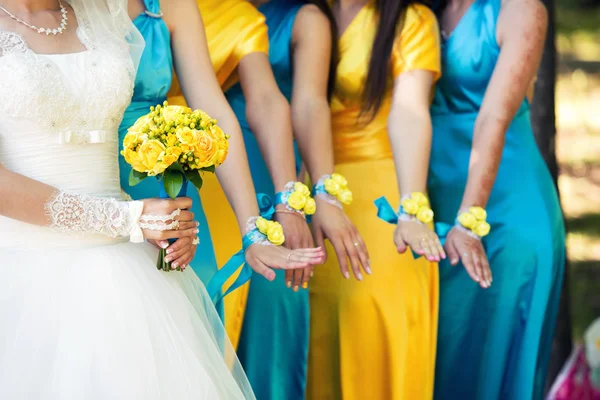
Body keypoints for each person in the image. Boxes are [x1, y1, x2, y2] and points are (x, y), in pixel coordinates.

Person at [0, 0, 322, 398]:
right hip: (26, 268)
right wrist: (130, 219)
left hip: (130, 269)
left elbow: (213, 114)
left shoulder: (104, 12)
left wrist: (252, 229)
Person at [428, 0, 566, 398]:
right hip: (432, 209)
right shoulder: (420, 10)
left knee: (492, 367)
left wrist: (468, 222)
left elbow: (493, 118)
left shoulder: (521, 10)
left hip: (503, 212)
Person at [306, 1, 442, 399]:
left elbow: (410, 111)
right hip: (308, 188)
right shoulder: (303, 12)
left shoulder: (410, 19)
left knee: (370, 314)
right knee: (315, 333)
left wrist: (411, 208)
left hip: (384, 184)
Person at [167, 0, 314, 333]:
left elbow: (265, 100)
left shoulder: (239, 16)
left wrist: (287, 198)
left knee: (209, 295)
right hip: (106, 158)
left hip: (209, 169)